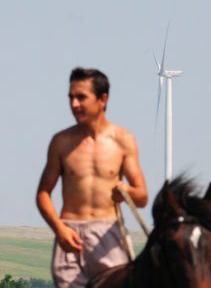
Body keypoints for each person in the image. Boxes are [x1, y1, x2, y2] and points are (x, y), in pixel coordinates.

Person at [36, 67, 148, 288]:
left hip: (108, 233)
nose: (74, 104)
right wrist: (60, 230)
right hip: (70, 235)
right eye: (71, 97)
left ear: (102, 99)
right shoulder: (61, 142)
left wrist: (125, 193)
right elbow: (43, 193)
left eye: (81, 97)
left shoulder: (123, 140)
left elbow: (142, 196)